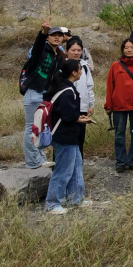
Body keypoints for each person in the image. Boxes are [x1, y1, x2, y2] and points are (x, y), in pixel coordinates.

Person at [44, 59, 92, 213]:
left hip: (70, 136)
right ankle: (52, 203)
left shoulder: (64, 87)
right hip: (64, 136)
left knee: (76, 166)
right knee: (63, 170)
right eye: (80, 69)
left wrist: (77, 118)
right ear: (74, 72)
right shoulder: (67, 91)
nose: (81, 72)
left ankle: (75, 199)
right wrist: (80, 118)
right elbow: (67, 115)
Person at [20, 21, 64, 169]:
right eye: (53, 35)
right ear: (48, 38)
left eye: (59, 35)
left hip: (45, 95)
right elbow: (37, 47)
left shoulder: (57, 54)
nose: (56, 38)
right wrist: (43, 33)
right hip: (34, 92)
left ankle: (38, 158)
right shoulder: (41, 50)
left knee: (39, 127)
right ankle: (33, 161)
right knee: (31, 127)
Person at [105, 38, 133, 173]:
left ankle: (131, 160)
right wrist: (108, 104)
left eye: (132, 47)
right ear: (122, 50)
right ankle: (120, 161)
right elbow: (109, 86)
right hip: (119, 106)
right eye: (126, 47)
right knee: (119, 134)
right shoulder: (115, 65)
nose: (129, 50)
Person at [66, 37, 94, 156]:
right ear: (67, 50)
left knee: (80, 137)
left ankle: (78, 163)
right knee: (66, 136)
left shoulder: (84, 66)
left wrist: (91, 104)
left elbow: (89, 87)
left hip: (82, 107)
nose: (76, 53)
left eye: (79, 50)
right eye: (73, 50)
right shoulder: (62, 65)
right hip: (66, 107)